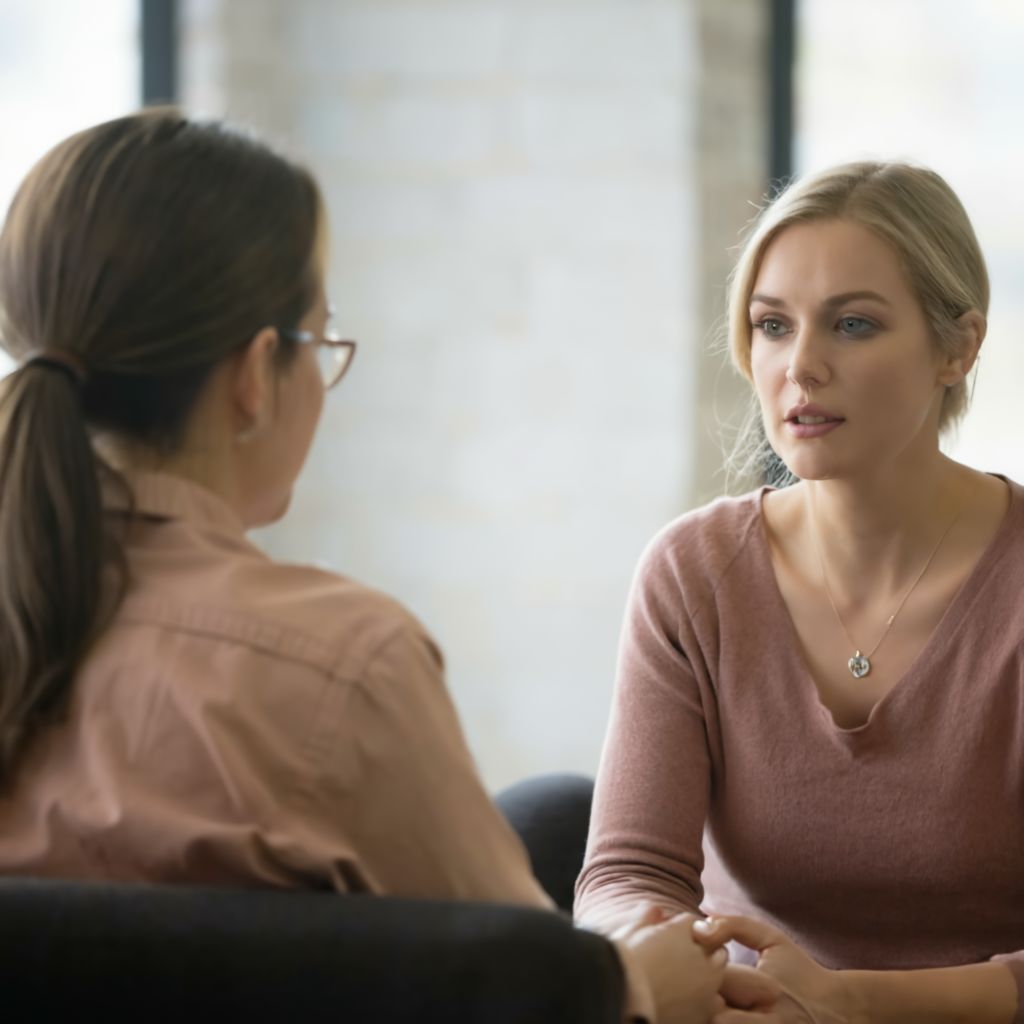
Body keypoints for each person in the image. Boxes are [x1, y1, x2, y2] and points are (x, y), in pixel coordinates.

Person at [0, 108, 749, 1024]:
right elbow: (522, 982)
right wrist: (642, 988)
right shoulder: (334, 665)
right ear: (254, 373)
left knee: (551, 814)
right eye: (322, 340)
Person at [575, 160, 1024, 1023]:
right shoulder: (694, 572)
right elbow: (629, 873)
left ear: (958, 347)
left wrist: (845, 1002)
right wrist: (659, 957)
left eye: (853, 324)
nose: (801, 366)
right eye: (772, 325)